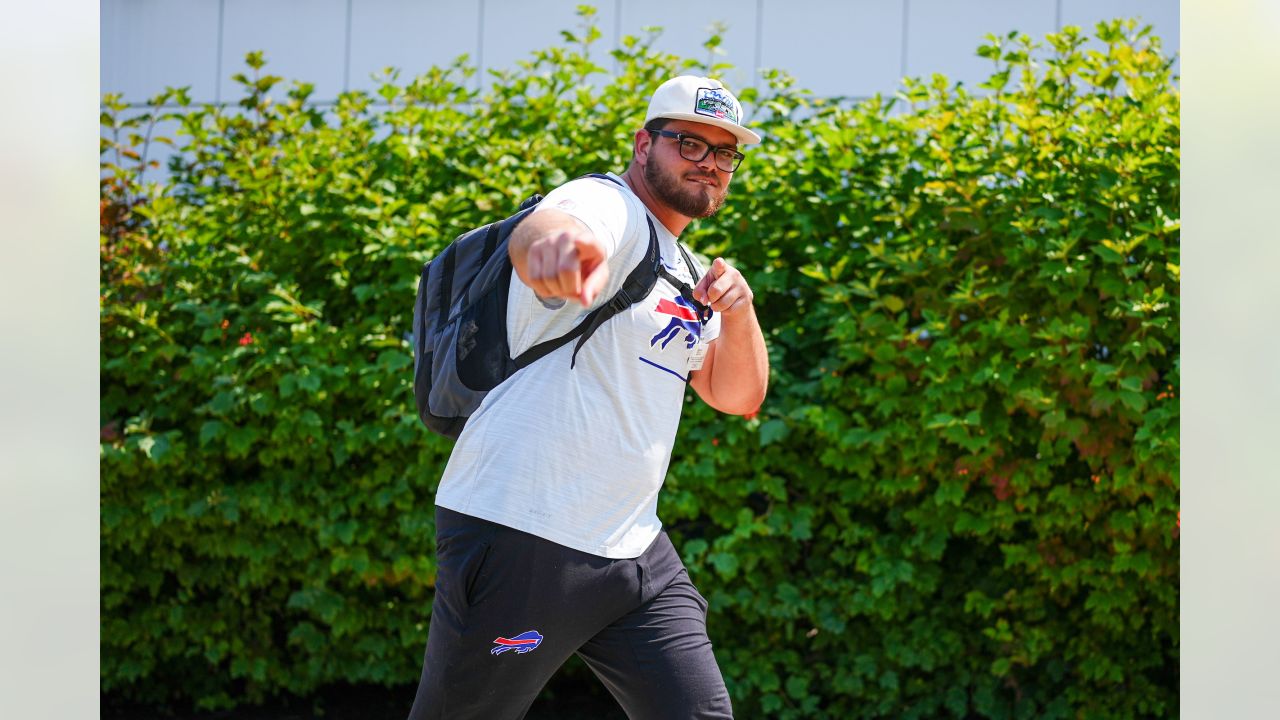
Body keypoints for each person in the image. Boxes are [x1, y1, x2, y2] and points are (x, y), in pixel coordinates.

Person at [407, 75, 769, 720]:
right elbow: (558, 223)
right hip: (524, 534)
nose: (709, 164)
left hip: (633, 552)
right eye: (689, 143)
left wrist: (739, 314)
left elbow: (736, 395)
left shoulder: (689, 272)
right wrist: (552, 248)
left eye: (724, 153)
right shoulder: (612, 207)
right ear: (643, 144)